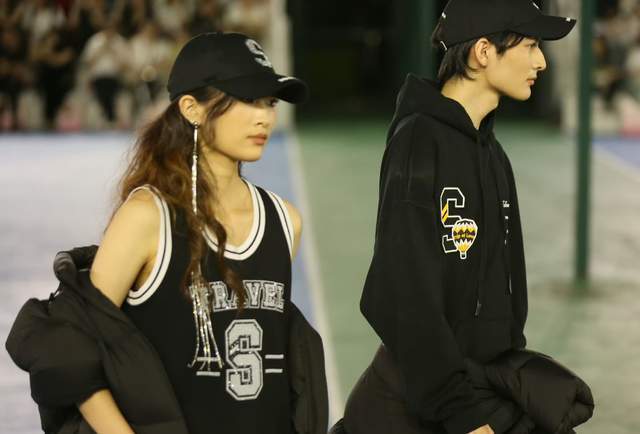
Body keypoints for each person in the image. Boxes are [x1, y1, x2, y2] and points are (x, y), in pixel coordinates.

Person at [341, 1, 576, 434]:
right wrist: (463, 413)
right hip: (422, 404)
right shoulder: (418, 141)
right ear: (484, 52)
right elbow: (401, 293)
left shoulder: (493, 155)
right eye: (530, 45)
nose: (541, 61)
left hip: (477, 388)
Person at [83, 32, 309, 434]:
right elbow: (75, 348)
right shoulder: (147, 217)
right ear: (192, 108)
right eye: (248, 99)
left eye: (270, 102)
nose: (265, 117)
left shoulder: (284, 221)